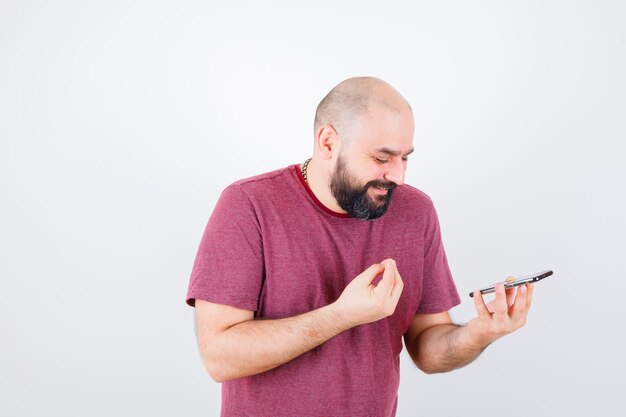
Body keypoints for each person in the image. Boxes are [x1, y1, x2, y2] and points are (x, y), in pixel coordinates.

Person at [186, 77, 534, 417]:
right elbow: (219, 356)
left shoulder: (416, 212)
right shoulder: (248, 205)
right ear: (327, 143)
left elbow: (427, 345)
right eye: (382, 159)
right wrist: (341, 315)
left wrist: (477, 334)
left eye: (405, 158)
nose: (398, 176)